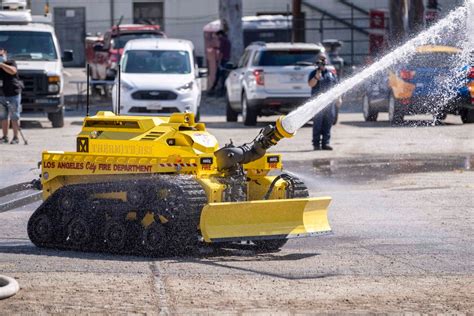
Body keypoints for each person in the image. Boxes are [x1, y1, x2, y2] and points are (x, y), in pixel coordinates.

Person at [307, 54, 340, 150]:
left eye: (324, 59)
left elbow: (337, 87)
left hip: (329, 103)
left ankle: (326, 143)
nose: (322, 61)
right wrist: (316, 77)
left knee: (328, 123)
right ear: (317, 61)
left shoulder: (331, 74)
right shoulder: (313, 73)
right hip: (317, 103)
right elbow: (310, 84)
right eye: (320, 60)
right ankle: (316, 144)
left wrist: (339, 98)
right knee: (317, 123)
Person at [0, 48, 22, 144]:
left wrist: (1, 64)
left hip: (13, 94)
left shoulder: (11, 62)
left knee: (14, 116)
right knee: (3, 117)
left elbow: (13, 71)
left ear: (5, 53)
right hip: (1, 95)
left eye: (1, 54)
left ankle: (16, 137)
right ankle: (5, 137)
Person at [209, 30, 231, 96]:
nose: (217, 38)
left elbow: (221, 52)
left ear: (220, 35)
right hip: (226, 59)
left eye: (217, 36)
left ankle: (216, 89)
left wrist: (218, 61)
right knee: (221, 75)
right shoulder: (227, 41)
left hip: (223, 60)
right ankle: (217, 89)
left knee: (220, 75)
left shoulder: (223, 41)